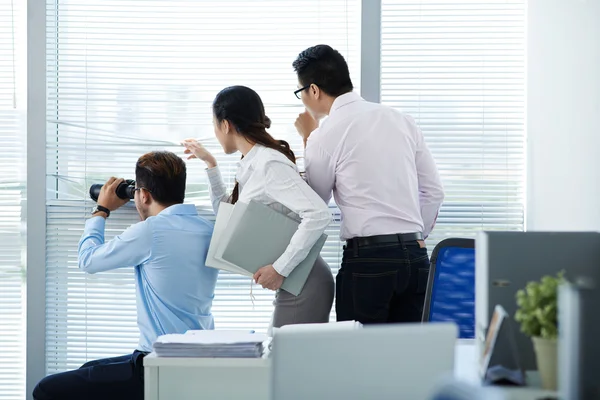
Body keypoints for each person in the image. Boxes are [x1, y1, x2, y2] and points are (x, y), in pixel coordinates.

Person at [33, 151, 219, 400]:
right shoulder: (208, 229)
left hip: (158, 365)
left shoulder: (150, 231)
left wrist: (101, 209)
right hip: (196, 359)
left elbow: (87, 260)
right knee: (88, 369)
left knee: (46, 389)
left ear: (143, 194)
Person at [292, 44, 445, 324]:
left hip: (368, 262)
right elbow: (434, 191)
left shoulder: (325, 135)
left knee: (359, 362)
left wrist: (308, 139)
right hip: (416, 258)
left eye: (300, 91)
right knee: (409, 359)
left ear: (313, 90)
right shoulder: (401, 120)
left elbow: (315, 201)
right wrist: (416, 236)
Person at [182, 85, 334, 329]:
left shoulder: (269, 164)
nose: (215, 130)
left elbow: (318, 214)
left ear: (225, 125)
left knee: (288, 363)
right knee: (285, 360)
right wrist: (210, 164)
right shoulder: (251, 163)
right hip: (295, 278)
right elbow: (228, 216)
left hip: (304, 279)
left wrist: (279, 269)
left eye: (214, 124)